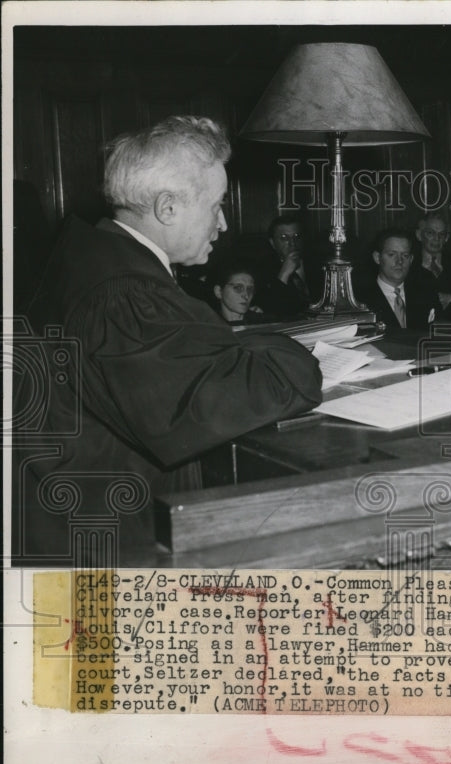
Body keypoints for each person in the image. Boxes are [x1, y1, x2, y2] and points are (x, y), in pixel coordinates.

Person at [15, 115, 322, 565]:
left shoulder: (94, 254)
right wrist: (298, 355)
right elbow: (215, 402)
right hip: (103, 551)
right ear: (168, 208)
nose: (222, 224)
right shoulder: (124, 294)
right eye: (216, 205)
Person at [357, 229, 441, 331]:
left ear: (411, 260)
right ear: (377, 258)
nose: (399, 261)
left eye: (405, 255)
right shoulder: (360, 300)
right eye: (392, 254)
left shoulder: (425, 293)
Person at [251, 214, 319, 319]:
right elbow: (267, 309)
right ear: (272, 243)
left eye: (297, 237)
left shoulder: (318, 264)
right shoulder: (262, 269)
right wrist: (284, 275)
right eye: (284, 238)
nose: (292, 243)